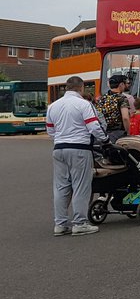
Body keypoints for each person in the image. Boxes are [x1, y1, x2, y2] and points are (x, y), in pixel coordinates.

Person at [45, 75, 107, 236]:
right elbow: (93, 126)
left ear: (66, 88)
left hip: (59, 148)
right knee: (80, 186)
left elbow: (50, 131)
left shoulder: (53, 106)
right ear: (81, 88)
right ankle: (80, 223)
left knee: (61, 187)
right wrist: (105, 140)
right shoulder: (84, 104)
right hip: (79, 148)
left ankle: (60, 224)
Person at [96, 74, 132, 143]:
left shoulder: (102, 98)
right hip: (118, 133)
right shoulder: (121, 98)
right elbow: (125, 118)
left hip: (104, 133)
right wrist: (127, 132)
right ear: (121, 84)